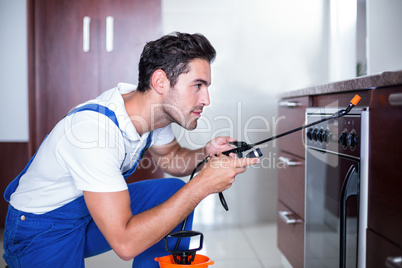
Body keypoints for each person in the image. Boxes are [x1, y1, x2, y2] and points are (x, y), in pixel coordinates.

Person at [3, 32, 259, 267]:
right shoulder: (93, 132)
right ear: (160, 82)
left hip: (86, 211)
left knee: (170, 191)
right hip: (42, 229)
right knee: (179, 199)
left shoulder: (152, 113)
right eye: (197, 85)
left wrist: (206, 153)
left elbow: (172, 158)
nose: (206, 100)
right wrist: (203, 185)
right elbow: (125, 245)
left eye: (207, 87)